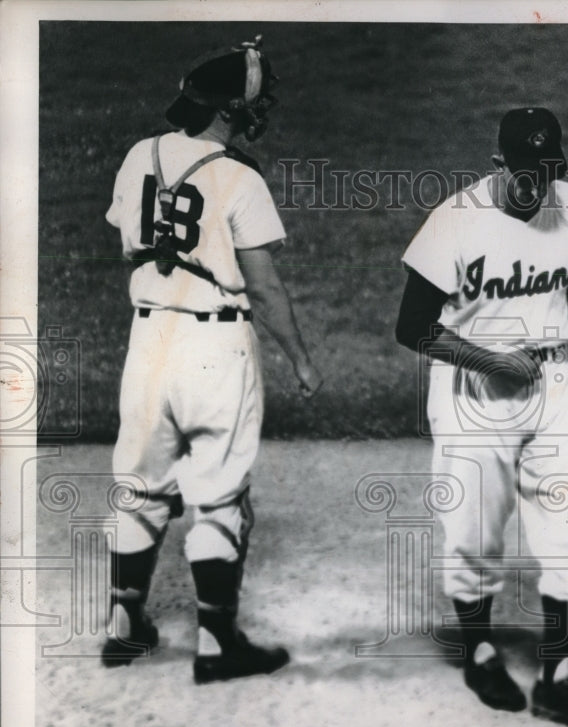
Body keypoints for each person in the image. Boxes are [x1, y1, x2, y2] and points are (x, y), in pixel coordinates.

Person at [103, 36, 323, 684]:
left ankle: (124, 624)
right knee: (220, 495)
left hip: (148, 345)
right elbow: (263, 286)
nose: (260, 114)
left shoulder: (137, 156)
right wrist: (301, 360)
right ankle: (217, 643)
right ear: (228, 110)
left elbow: (130, 251)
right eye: (251, 105)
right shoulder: (239, 175)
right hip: (215, 349)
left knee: (140, 486)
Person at [395, 107, 568, 727]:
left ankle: (557, 674)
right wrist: (489, 360)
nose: (536, 186)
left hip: (553, 384)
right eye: (525, 173)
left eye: (547, 172)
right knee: (472, 534)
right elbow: (411, 327)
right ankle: (479, 651)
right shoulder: (455, 221)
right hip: (472, 393)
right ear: (499, 164)